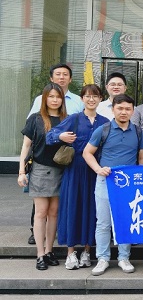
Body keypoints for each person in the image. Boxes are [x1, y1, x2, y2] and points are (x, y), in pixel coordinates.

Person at [46, 84, 109, 270]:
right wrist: (61, 136)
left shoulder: (105, 122)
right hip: (75, 170)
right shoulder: (73, 119)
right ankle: (70, 252)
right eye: (87, 96)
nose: (91, 99)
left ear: (100, 99)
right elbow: (50, 136)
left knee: (93, 210)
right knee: (72, 207)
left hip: (96, 171)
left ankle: (87, 251)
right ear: (82, 99)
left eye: (95, 96)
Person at [83, 94, 143, 276]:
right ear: (113, 109)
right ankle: (102, 258)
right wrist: (98, 169)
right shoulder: (103, 130)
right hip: (106, 181)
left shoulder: (138, 132)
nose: (123, 112)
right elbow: (87, 153)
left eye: (127, 109)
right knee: (103, 222)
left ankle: (124, 257)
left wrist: (139, 178)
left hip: (128, 184)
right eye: (120, 108)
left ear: (132, 111)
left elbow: (141, 156)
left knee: (124, 220)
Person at [26, 63, 83, 245]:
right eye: (58, 74)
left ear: (70, 79)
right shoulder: (39, 101)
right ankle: (36, 233)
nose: (61, 77)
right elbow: (32, 130)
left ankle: (55, 235)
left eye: (65, 74)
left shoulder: (77, 101)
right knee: (41, 205)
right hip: (42, 161)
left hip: (64, 160)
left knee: (56, 207)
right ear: (51, 78)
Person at [18, 83, 67, 270]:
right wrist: (21, 171)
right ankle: (39, 254)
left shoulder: (67, 119)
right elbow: (26, 146)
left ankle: (49, 251)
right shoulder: (36, 119)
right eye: (51, 96)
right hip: (40, 169)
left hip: (62, 170)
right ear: (45, 98)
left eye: (58, 97)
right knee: (41, 212)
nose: (55, 100)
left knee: (54, 213)